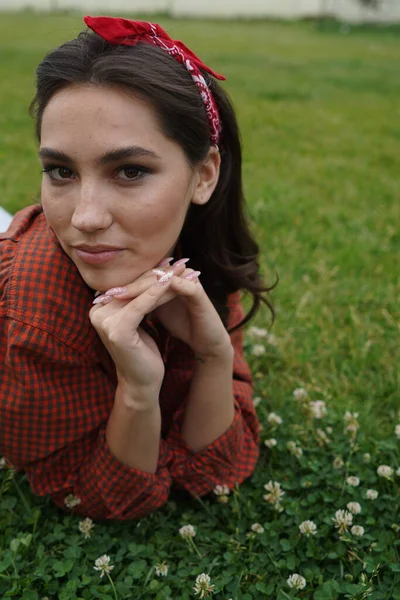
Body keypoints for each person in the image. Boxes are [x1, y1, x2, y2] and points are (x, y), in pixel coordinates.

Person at [0, 15, 274, 520]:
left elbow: (217, 472)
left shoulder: (194, 252)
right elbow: (95, 495)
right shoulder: (34, 314)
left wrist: (213, 355)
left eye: (129, 171)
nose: (85, 217)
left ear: (204, 175)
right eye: (60, 171)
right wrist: (139, 391)